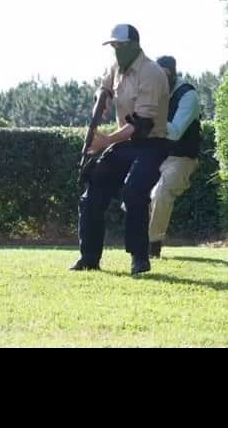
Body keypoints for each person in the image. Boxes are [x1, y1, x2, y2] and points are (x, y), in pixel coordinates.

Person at [71, 24, 169, 276]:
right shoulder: (116, 68)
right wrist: (101, 98)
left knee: (134, 190)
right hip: (125, 144)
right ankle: (89, 257)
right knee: (92, 188)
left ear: (134, 45)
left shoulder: (152, 73)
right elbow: (104, 85)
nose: (116, 50)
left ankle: (139, 258)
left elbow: (141, 125)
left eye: (120, 46)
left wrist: (105, 142)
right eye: (113, 46)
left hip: (151, 144)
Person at [148, 56, 201, 258]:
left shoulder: (188, 96)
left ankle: (153, 244)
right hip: (156, 156)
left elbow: (176, 131)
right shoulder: (154, 92)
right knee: (134, 191)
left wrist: (151, 116)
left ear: (170, 73)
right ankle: (140, 240)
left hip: (182, 159)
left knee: (161, 193)